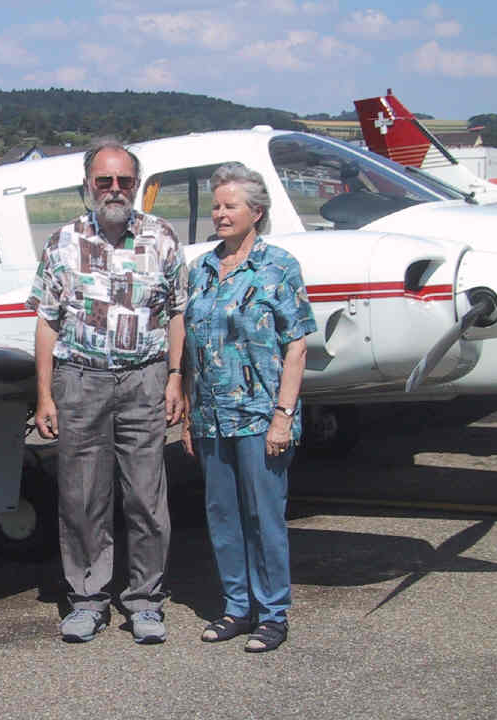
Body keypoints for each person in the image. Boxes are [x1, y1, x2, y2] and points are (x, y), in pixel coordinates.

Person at [26, 138, 186, 644]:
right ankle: (87, 600)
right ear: (88, 185)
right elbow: (47, 322)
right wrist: (45, 395)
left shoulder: (161, 237)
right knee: (81, 497)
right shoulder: (62, 242)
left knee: (145, 497)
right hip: (81, 381)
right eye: (104, 181)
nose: (114, 189)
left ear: (136, 185)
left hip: (145, 380)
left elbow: (177, 311)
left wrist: (177, 377)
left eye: (124, 181)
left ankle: (144, 602)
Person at [181, 162, 316, 653]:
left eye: (229, 205)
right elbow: (193, 345)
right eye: (216, 205)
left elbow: (296, 346)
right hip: (212, 416)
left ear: (256, 212)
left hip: (261, 416)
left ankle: (273, 612)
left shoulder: (278, 266)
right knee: (222, 516)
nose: (219, 213)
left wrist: (283, 415)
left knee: (264, 516)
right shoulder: (203, 269)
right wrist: (191, 414)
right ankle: (236, 607)